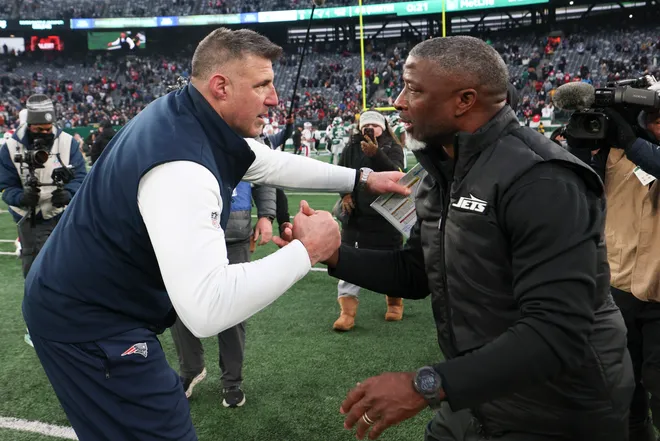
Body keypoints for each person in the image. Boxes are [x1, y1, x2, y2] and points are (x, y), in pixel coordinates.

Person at [21, 27, 407, 441]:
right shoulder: (183, 169)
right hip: (88, 319)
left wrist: (362, 178)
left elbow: (268, 163)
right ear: (220, 86)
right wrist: (308, 250)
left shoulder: (187, 114)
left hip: (91, 302)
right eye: (262, 85)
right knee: (161, 426)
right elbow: (207, 308)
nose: (274, 98)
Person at [282, 36, 634, 440]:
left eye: (413, 89)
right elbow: (417, 270)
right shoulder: (442, 168)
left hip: (557, 406)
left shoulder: (542, 179)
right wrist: (330, 253)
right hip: (479, 390)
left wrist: (425, 384)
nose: (397, 101)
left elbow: (556, 331)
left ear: (464, 100)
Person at [569, 106, 660, 441]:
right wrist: (579, 146)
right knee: (621, 389)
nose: (653, 124)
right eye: (649, 117)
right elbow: (575, 191)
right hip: (619, 286)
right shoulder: (612, 154)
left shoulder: (635, 149)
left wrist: (633, 141)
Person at [171, 166, 276, 407]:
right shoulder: (185, 132)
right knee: (179, 301)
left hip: (234, 235)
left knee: (233, 308)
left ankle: (232, 381)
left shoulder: (250, 137)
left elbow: (265, 176)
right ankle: (191, 369)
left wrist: (266, 215)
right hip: (189, 234)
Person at [0, 94, 87, 347]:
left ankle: (68, 317)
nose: (45, 133)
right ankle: (36, 324)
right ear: (29, 124)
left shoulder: (67, 142)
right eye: (39, 129)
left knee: (68, 269)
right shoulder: (10, 147)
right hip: (29, 220)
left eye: (49, 128)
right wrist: (22, 197)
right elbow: (5, 189)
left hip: (61, 216)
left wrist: (69, 193)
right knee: (34, 274)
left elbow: (81, 177)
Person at [333, 109, 405, 331]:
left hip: (384, 216)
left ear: (382, 127)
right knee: (349, 262)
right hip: (358, 217)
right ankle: (347, 312)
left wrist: (377, 155)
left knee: (391, 260)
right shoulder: (350, 147)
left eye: (374, 125)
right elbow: (340, 174)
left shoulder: (393, 147)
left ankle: (394, 303)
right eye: (366, 126)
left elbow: (398, 175)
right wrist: (344, 195)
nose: (370, 129)